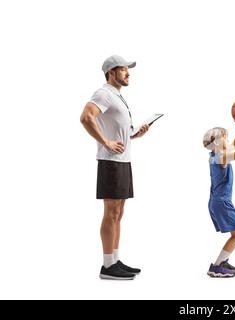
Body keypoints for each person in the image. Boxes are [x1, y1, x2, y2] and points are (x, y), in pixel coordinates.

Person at [80, 55, 150, 280]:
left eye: (128, 70)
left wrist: (135, 134)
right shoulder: (103, 93)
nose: (128, 73)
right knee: (111, 213)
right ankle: (107, 266)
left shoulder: (117, 96)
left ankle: (115, 260)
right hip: (110, 161)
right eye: (123, 70)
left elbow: (117, 130)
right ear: (111, 72)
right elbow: (86, 117)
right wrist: (106, 142)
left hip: (123, 161)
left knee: (119, 214)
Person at [202, 117, 235, 277]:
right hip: (222, 202)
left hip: (217, 202)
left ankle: (222, 262)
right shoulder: (221, 158)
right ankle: (217, 266)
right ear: (217, 142)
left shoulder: (215, 155)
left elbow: (233, 146)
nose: (228, 140)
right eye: (225, 137)